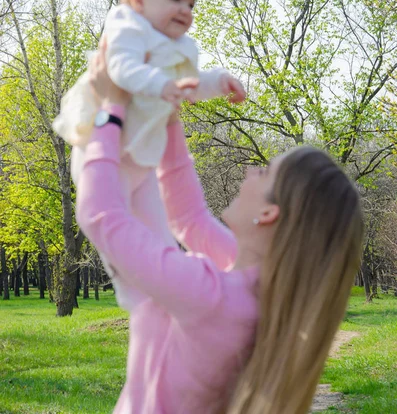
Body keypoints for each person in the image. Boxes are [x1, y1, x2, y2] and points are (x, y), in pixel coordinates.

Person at [76, 43, 364, 414]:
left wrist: (110, 111)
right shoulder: (260, 289)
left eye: (262, 172)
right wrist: (169, 119)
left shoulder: (211, 296)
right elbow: (189, 219)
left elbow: (100, 215)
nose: (248, 171)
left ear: (268, 214)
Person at [53, 0, 245, 308]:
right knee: (117, 234)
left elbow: (188, 85)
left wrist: (219, 82)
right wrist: (159, 85)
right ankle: (133, 299)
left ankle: (162, 299)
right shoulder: (127, 26)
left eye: (191, 3)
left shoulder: (178, 47)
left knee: (159, 239)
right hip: (104, 152)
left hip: (143, 161)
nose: (186, 11)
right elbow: (121, 70)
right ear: (139, 0)